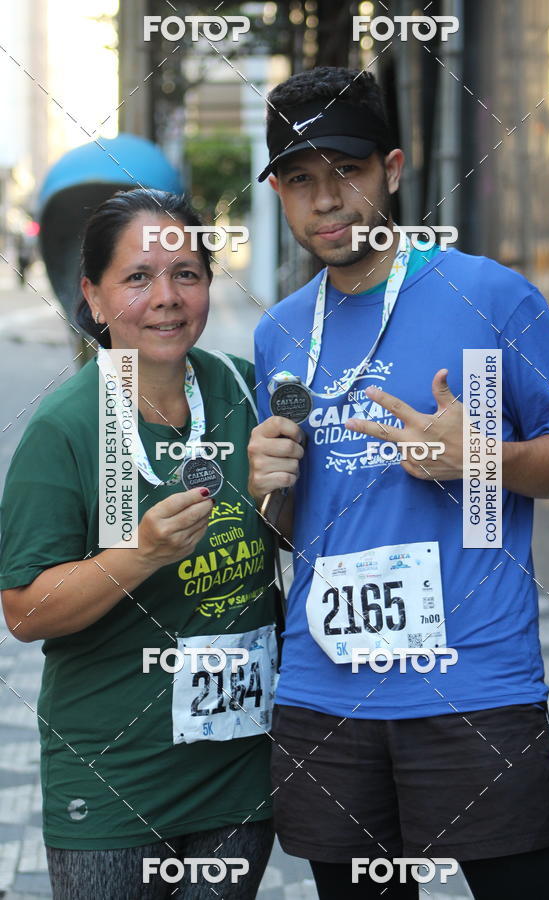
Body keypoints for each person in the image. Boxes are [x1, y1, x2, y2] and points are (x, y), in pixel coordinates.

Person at [248, 67, 549, 899]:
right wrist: (267, 489)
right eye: (300, 181)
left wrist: (484, 457)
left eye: (348, 172)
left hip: (471, 679)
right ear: (279, 196)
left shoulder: (490, 296)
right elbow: (292, 528)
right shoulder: (277, 333)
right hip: (326, 686)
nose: (326, 201)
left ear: (395, 170)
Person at [0, 189, 278, 899]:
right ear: (92, 298)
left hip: (237, 768)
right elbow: (25, 614)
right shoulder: (65, 427)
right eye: (137, 278)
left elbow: (290, 535)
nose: (167, 297)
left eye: (187, 273)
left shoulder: (244, 393)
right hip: (115, 777)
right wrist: (142, 554)